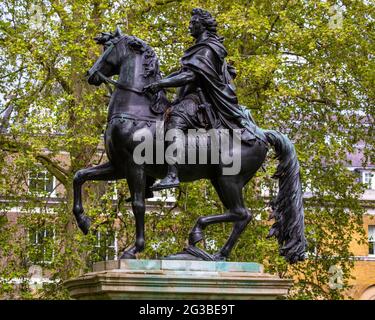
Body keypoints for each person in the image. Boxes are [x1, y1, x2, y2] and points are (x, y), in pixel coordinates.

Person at [144, 8, 256, 191]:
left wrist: (160, 85)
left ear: (203, 26)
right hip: (190, 97)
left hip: (200, 100)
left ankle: (172, 174)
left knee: (174, 121)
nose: (189, 26)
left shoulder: (208, 49)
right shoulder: (198, 48)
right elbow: (182, 72)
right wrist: (159, 80)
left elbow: (189, 76)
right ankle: (148, 178)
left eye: (193, 23)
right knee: (154, 123)